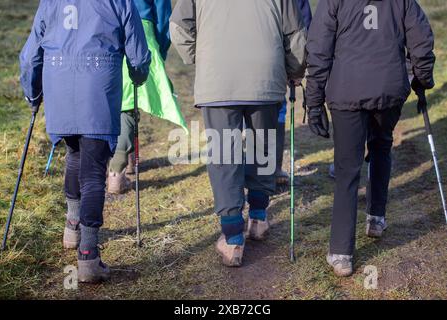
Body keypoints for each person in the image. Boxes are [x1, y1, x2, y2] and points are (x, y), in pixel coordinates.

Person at [20, 0, 150, 283]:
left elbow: (30, 57)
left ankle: (72, 226)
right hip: (98, 88)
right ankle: (88, 255)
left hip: (60, 87)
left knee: (75, 154)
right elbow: (138, 56)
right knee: (92, 171)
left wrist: (33, 94)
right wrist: (139, 76)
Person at [170, 0, 307, 267]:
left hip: (218, 79)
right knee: (262, 146)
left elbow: (177, 26)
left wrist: (201, 56)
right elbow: (296, 35)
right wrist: (295, 70)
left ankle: (233, 237)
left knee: (224, 154)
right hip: (265, 75)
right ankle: (258, 217)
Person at [306, 0, 435, 277]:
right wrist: (422, 79)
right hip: (388, 88)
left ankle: (341, 252)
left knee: (347, 168)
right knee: (381, 146)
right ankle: (376, 217)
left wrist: (314, 101)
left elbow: (318, 49)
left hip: (346, 91)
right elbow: (421, 38)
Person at [107, 0, 187, 194]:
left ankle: (116, 161)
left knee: (115, 99)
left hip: (107, 30)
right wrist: (159, 48)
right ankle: (117, 171)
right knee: (132, 99)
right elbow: (162, 14)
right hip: (142, 32)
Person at [276, 0, 313, 185]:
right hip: (274, 58)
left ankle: (267, 169)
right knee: (274, 109)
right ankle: (270, 170)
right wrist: (297, 68)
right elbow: (303, 25)